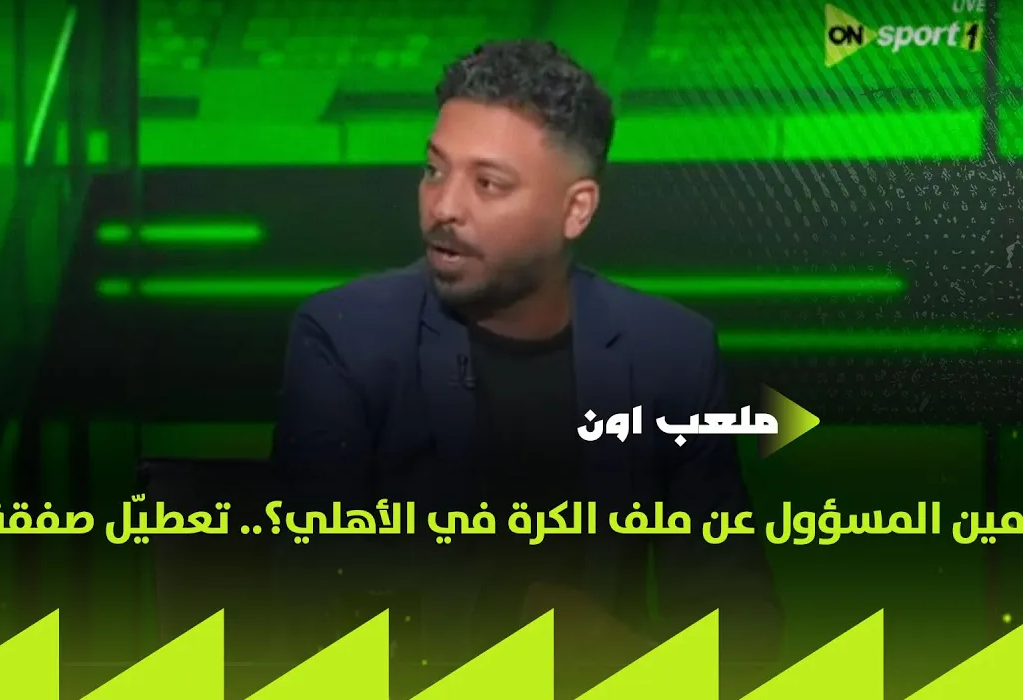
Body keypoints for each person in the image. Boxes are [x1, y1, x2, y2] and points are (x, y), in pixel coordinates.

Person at [270, 40, 781, 689]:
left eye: (487, 183)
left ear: (576, 210)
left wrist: (628, 664)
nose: (444, 207)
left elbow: (739, 618)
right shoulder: (347, 337)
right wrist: (512, 616)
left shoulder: (671, 354)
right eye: (434, 170)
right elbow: (310, 588)